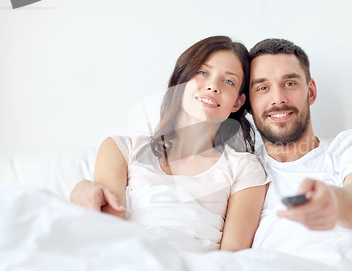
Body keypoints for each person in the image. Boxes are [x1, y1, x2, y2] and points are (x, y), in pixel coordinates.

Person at [71, 36, 269, 252]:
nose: (213, 86)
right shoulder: (121, 149)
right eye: (203, 72)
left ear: (238, 102)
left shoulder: (245, 168)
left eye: (228, 81)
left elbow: (232, 257)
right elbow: (108, 232)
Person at [246, 38, 352, 234]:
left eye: (290, 83)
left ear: (311, 92)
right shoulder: (243, 173)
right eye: (262, 88)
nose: (278, 99)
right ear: (248, 104)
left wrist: (335, 202)